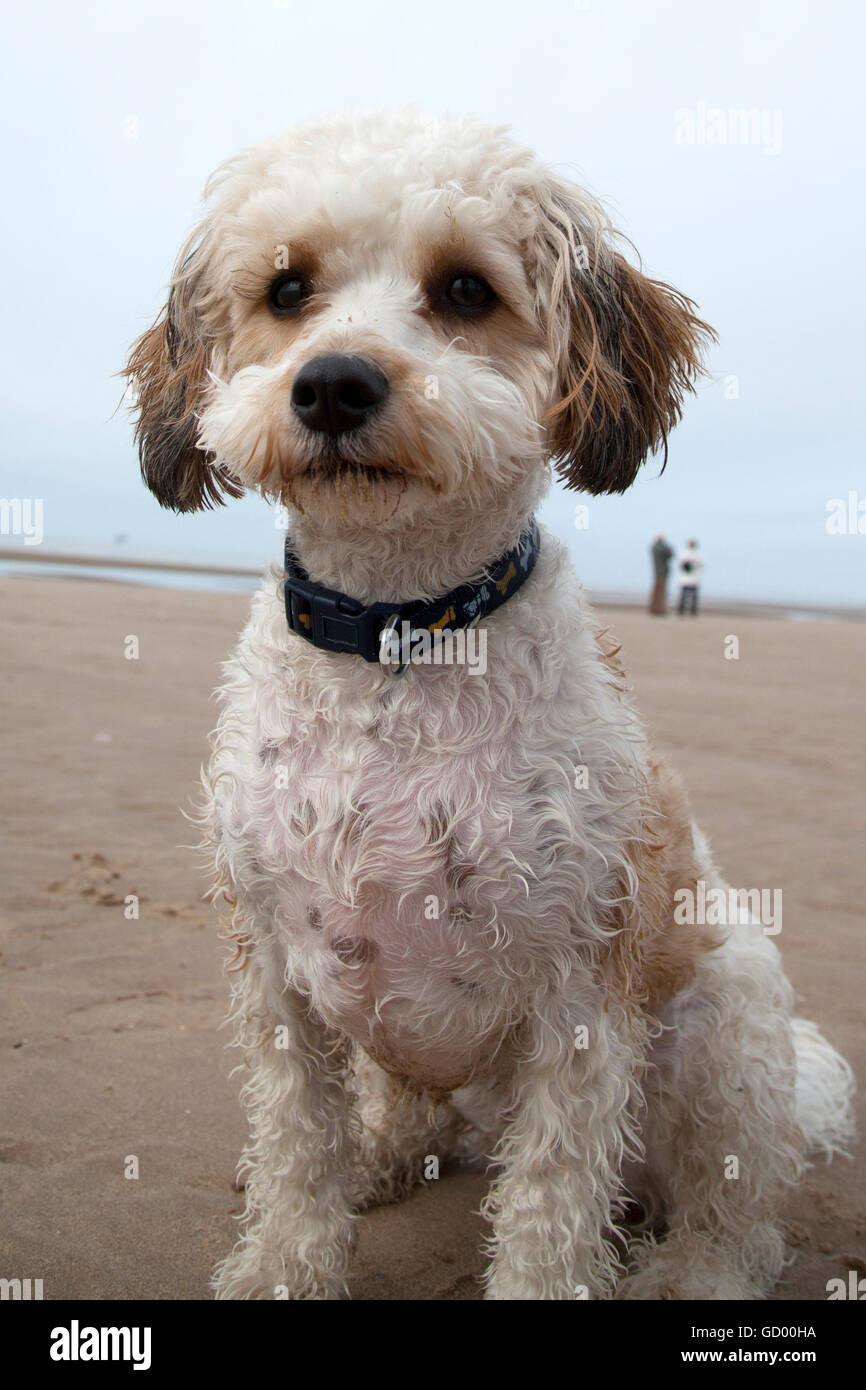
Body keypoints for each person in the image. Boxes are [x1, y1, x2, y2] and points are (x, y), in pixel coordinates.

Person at [677, 539, 704, 615]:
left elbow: (701, 566)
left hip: (692, 578)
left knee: (691, 596)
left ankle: (690, 610)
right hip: (688, 579)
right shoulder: (689, 555)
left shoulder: (689, 555)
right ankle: (683, 610)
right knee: (687, 596)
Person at [649, 534, 674, 614]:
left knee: (657, 591)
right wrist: (669, 550)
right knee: (661, 591)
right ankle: (659, 608)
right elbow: (669, 555)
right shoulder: (660, 548)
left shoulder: (654, 547)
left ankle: (655, 608)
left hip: (657, 571)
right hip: (662, 571)